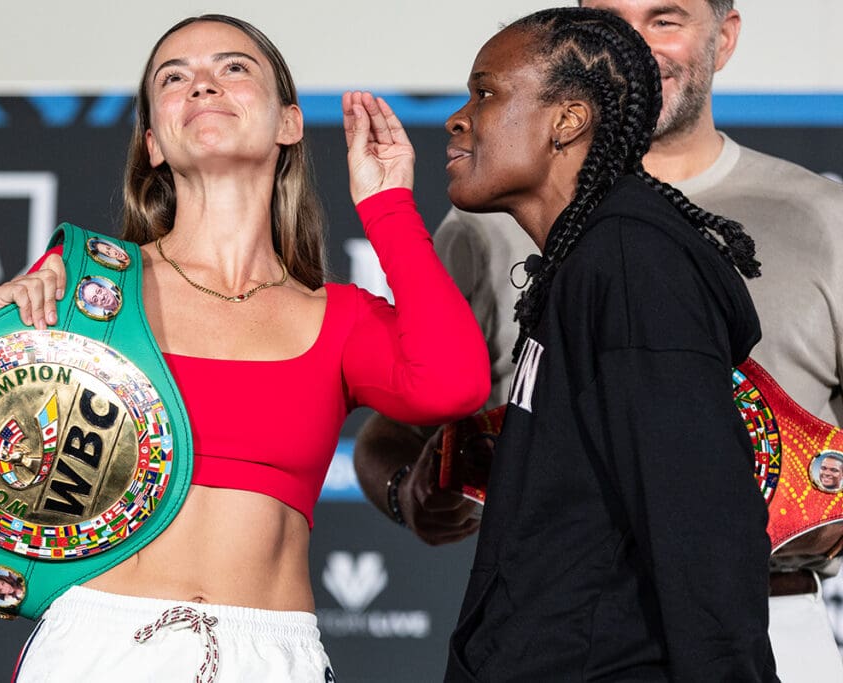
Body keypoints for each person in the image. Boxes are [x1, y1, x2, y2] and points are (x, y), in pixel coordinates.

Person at [0, 14, 490, 682]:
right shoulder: (85, 290)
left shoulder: (341, 319)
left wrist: (387, 205)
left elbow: (455, 384)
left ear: (289, 124)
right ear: (154, 141)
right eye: (175, 78)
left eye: (233, 68)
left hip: (273, 656)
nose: (203, 86)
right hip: (98, 649)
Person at [354, 1, 843, 679]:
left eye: (486, 93)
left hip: (698, 637)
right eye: (612, 16)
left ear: (568, 118)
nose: (458, 117)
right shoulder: (585, 256)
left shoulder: (633, 262)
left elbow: (698, 535)